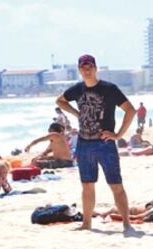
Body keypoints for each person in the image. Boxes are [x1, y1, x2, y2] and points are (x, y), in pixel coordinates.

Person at [57, 54, 137, 233]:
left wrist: (118, 135)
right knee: (87, 185)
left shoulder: (109, 89)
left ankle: (126, 224)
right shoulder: (77, 89)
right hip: (84, 144)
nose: (86, 69)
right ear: (79, 69)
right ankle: (86, 223)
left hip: (105, 144)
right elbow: (60, 100)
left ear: (95, 68)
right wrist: (76, 113)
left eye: (90, 66)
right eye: (83, 67)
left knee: (116, 184)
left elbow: (130, 110)